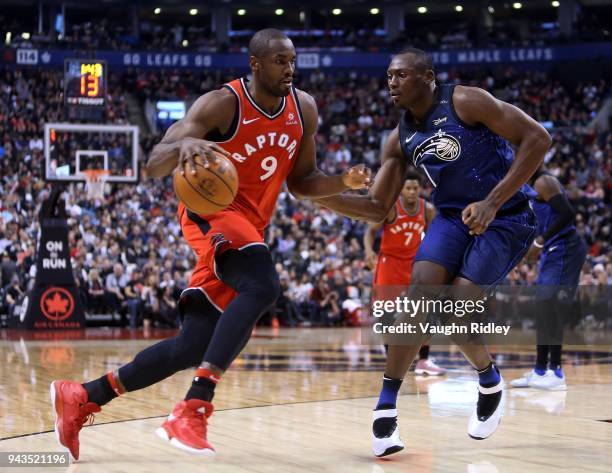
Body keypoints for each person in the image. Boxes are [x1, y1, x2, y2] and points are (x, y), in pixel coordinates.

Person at [50, 28, 370, 461]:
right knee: (262, 285)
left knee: (193, 345)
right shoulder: (222, 103)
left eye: (292, 60)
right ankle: (193, 409)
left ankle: (85, 395)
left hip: (249, 228)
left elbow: (301, 183)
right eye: (279, 61)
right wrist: (184, 143)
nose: (289, 68)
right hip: (209, 213)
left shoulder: (304, 109)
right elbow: (152, 164)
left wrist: (342, 182)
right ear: (255, 64)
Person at [316, 47, 550, 456]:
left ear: (428, 77)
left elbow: (538, 138)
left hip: (508, 215)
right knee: (419, 292)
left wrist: (493, 201)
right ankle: (386, 408)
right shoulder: (399, 138)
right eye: (389, 75)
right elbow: (376, 208)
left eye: (401, 75)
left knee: (457, 305)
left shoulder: (466, 100)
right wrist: (321, 194)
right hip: (450, 216)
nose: (391, 82)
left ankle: (489, 379)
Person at [511, 172, 587, 391]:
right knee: (543, 307)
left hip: (566, 247)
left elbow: (567, 213)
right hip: (552, 251)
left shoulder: (544, 182)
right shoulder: (523, 188)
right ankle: (540, 371)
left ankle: (555, 372)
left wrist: (540, 241)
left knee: (552, 306)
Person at [363, 171, 445, 376]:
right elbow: (370, 231)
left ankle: (424, 360)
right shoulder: (391, 207)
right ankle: (392, 358)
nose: (411, 192)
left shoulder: (427, 209)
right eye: (407, 188)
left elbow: (435, 236)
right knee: (386, 315)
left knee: (424, 311)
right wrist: (368, 251)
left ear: (420, 189)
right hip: (389, 263)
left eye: (415, 188)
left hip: (414, 264)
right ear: (401, 189)